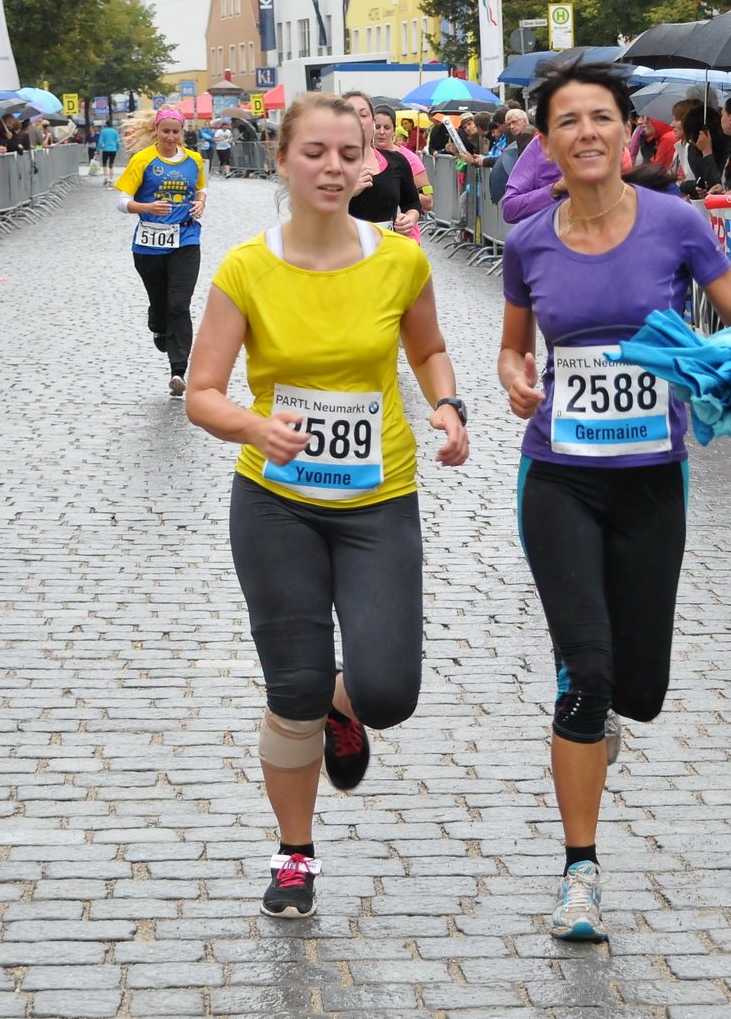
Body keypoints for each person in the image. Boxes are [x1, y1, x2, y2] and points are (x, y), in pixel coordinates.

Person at [184, 90, 469, 919]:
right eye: (314, 152)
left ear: (370, 162)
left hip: (379, 497)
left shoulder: (399, 259)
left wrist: (449, 406)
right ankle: (295, 852)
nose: (333, 166)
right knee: (293, 683)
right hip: (275, 501)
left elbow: (429, 348)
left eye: (349, 152)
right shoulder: (245, 268)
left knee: (386, 691)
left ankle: (349, 706)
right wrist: (252, 424)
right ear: (281, 160)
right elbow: (202, 392)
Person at [497, 62, 731, 942]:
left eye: (600, 117)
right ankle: (579, 872)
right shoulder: (528, 240)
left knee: (637, 691)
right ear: (549, 142)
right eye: (566, 121)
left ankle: (602, 704)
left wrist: (724, 358)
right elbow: (511, 350)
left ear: (627, 132)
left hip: (652, 477)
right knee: (587, 674)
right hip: (558, 477)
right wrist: (515, 381)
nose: (586, 133)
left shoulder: (677, 223)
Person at [113, 108, 208, 396]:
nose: (170, 136)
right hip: (149, 243)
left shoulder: (193, 160)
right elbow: (121, 201)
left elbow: (201, 189)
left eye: (175, 132)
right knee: (159, 302)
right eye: (165, 131)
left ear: (182, 133)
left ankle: (178, 371)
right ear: (157, 131)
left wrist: (201, 202)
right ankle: (157, 324)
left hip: (186, 238)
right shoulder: (143, 160)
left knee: (179, 304)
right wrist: (147, 207)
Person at [342, 92, 420, 237]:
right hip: (346, 250)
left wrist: (409, 219)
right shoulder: (329, 166)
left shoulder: (397, 161)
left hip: (386, 250)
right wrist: (347, 193)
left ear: (372, 121)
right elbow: (314, 215)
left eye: (363, 115)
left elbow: (412, 203)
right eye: (350, 113)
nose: (357, 120)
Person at [373, 105, 432, 216]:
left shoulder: (409, 158)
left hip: (404, 229)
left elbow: (428, 202)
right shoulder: (362, 156)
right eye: (377, 127)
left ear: (394, 131)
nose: (381, 132)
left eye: (386, 128)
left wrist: (394, 191)